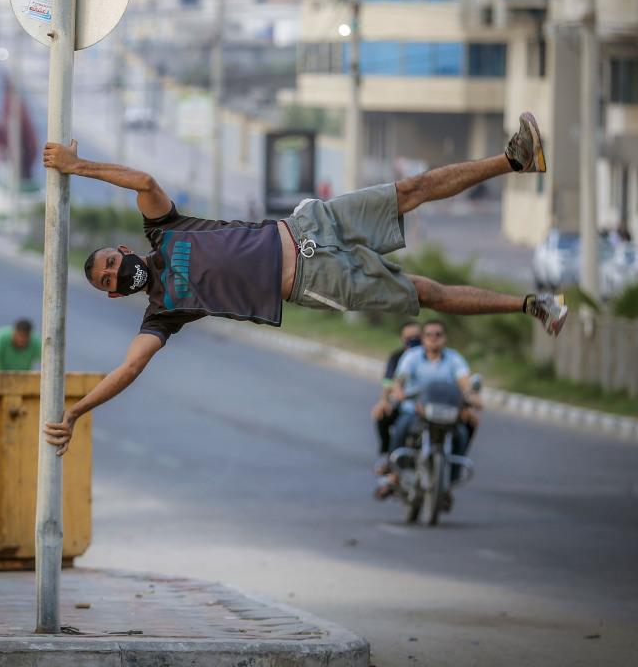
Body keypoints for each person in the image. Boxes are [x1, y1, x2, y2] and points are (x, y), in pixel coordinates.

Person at [41, 112, 567, 456]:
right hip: (317, 279)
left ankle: (515, 159)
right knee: (425, 293)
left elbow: (145, 183)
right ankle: (533, 305)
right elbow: (131, 366)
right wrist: (77, 410)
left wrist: (74, 165)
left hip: (310, 226)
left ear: (126, 249)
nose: (116, 272)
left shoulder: (163, 229)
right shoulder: (163, 311)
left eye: (113, 262)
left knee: (411, 189)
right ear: (115, 292)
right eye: (109, 279)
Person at [379, 319, 479, 503]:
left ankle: (449, 482)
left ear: (445, 338)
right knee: (401, 429)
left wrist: (471, 397)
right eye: (429, 334)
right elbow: (399, 380)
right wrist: (399, 392)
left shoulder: (454, 359)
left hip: (447, 414)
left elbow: (465, 382)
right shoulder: (412, 357)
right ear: (423, 338)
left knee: (463, 434)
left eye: (438, 334)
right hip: (415, 411)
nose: (434, 338)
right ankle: (394, 474)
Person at [372, 320, 423, 457]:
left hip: (430, 404)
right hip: (406, 403)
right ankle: (388, 455)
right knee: (382, 415)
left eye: (417, 337)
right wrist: (383, 401)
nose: (413, 341)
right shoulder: (398, 357)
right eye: (409, 338)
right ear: (402, 339)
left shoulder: (433, 356)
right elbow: (389, 382)